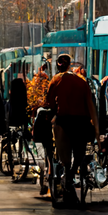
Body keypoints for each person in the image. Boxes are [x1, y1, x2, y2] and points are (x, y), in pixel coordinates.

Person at [42, 53, 99, 205]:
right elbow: (90, 103)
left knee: (64, 156)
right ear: (69, 65)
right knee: (79, 152)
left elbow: (50, 103)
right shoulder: (81, 81)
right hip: (82, 122)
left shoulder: (56, 79)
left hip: (64, 121)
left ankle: (67, 176)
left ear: (58, 65)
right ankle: (73, 173)